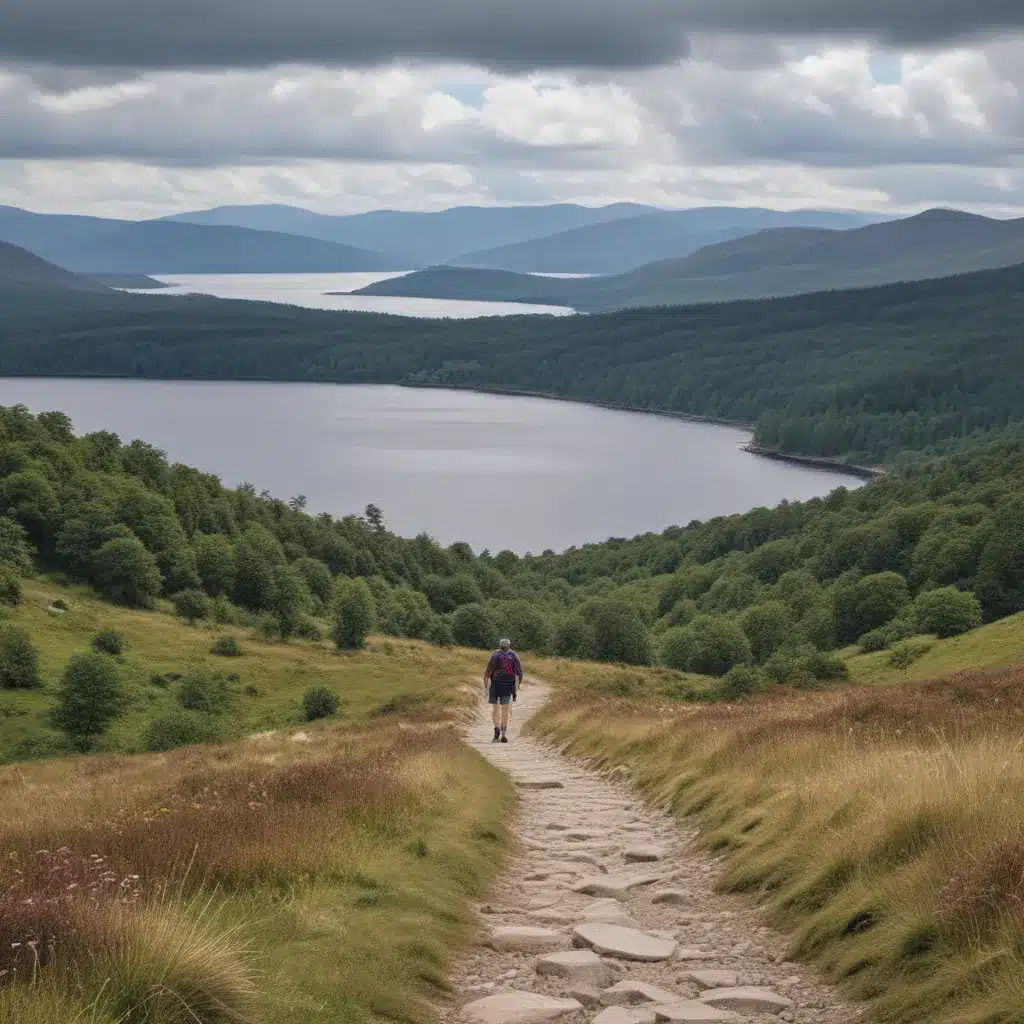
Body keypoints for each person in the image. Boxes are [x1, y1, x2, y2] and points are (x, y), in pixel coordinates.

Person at [483, 638, 523, 743]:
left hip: (495, 685)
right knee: (505, 709)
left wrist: (486, 682)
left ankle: (496, 730)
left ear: (500, 645)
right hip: (508, 686)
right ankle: (503, 732)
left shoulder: (495, 655)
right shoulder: (514, 656)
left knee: (495, 709)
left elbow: (488, 670)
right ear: (509, 645)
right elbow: (519, 672)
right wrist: (517, 685)